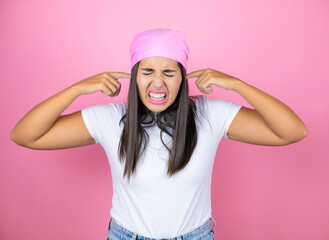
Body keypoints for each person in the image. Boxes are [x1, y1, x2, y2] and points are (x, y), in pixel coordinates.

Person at [10, 28, 307, 240]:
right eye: (147, 71)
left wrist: (237, 85)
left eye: (169, 72)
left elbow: (292, 131)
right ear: (134, 75)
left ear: (183, 77)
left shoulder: (209, 114)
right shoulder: (112, 119)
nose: (158, 83)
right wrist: (77, 89)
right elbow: (25, 135)